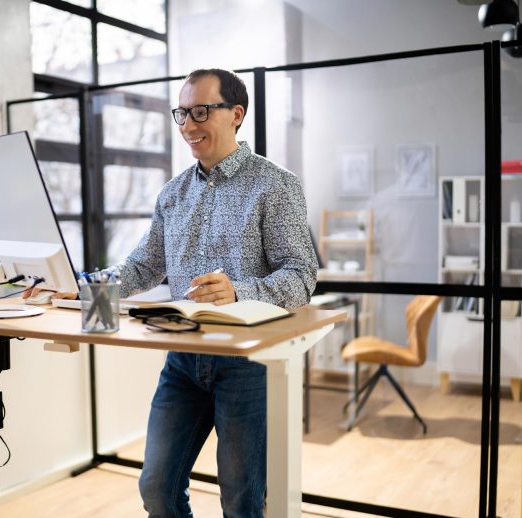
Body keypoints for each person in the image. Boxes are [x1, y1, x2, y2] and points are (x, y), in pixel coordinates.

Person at [37, 68, 317, 517]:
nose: (189, 124)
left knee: (242, 501)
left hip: (247, 365)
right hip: (182, 359)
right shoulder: (173, 194)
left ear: (236, 114)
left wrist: (238, 291)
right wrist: (80, 290)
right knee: (156, 489)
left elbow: (302, 277)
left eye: (201, 111)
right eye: (182, 113)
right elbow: (143, 266)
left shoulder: (275, 186)